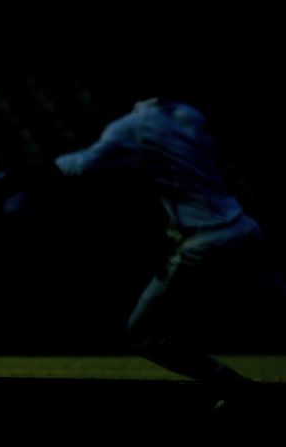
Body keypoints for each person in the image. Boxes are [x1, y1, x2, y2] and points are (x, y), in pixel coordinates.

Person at [51, 97, 285, 408]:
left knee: (144, 332)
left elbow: (82, 166)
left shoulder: (135, 125)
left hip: (206, 240)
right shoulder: (190, 113)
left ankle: (237, 391)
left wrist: (26, 175)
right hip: (244, 227)